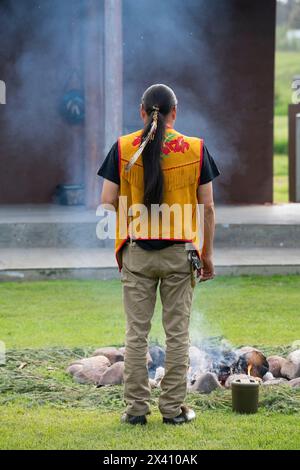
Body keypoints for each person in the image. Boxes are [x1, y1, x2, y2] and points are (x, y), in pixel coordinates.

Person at [98, 84, 220, 425]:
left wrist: (132, 219)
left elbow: (106, 202)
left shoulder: (123, 148)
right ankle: (172, 411)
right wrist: (207, 256)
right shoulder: (195, 149)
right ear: (174, 113)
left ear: (141, 112)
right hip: (180, 255)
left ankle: (136, 410)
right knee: (177, 334)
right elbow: (207, 208)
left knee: (135, 335)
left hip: (137, 253)